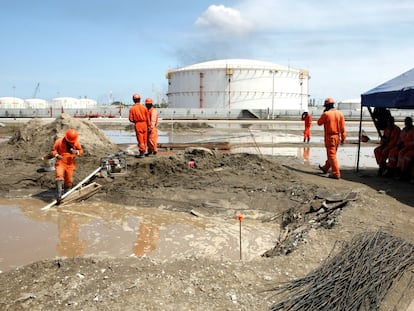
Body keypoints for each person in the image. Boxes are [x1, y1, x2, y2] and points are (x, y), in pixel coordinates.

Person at [317, 97, 346, 179]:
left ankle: (336, 173)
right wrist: (343, 138)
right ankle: (325, 168)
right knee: (332, 154)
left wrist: (323, 114)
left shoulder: (326, 114)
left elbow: (319, 123)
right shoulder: (340, 114)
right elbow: (343, 128)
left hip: (330, 137)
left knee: (332, 156)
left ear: (326, 106)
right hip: (337, 137)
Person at [52, 128, 83, 204]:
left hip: (70, 164)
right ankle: (59, 195)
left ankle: (66, 195)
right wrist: (56, 155)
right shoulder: (59, 142)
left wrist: (77, 152)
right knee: (59, 176)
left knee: (68, 181)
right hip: (61, 162)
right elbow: (53, 151)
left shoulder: (76, 143)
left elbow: (81, 151)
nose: (71, 143)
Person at [129, 93, 150, 158]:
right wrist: (149, 126)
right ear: (140, 100)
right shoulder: (144, 108)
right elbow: (148, 118)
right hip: (145, 124)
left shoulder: (132, 108)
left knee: (140, 139)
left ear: (133, 100)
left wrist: (136, 121)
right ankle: (144, 150)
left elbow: (130, 119)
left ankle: (142, 152)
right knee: (144, 139)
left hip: (138, 124)